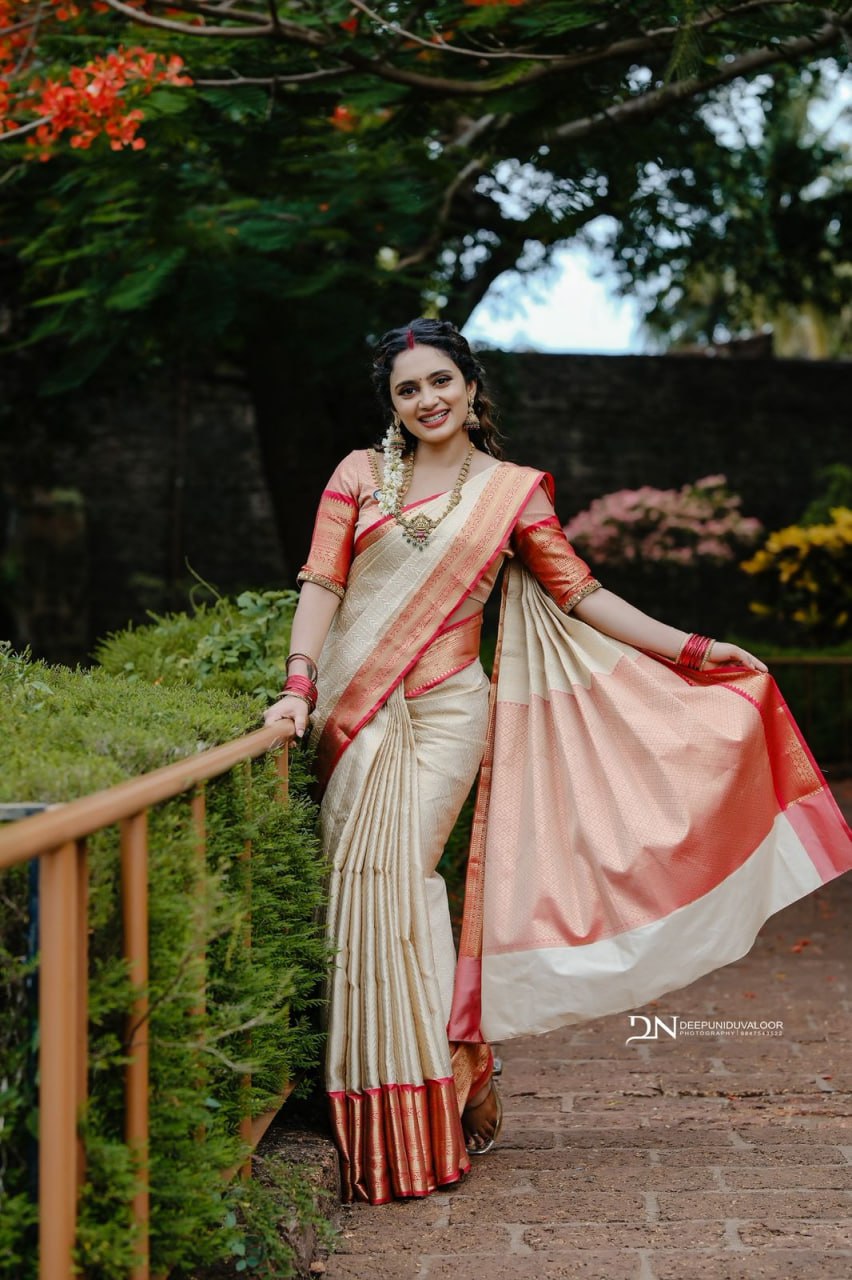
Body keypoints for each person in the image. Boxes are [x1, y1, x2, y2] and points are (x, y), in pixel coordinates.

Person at [264, 318, 852, 1206]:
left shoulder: (510, 491)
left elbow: (580, 594)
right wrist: (299, 686)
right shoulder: (357, 475)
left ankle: (428, 1087)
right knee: (362, 888)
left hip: (449, 711)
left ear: (470, 386)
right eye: (407, 390)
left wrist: (692, 650)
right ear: (391, 405)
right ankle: (447, 1068)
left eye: (440, 382)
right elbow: (324, 585)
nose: (427, 400)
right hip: (355, 709)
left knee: (398, 876)